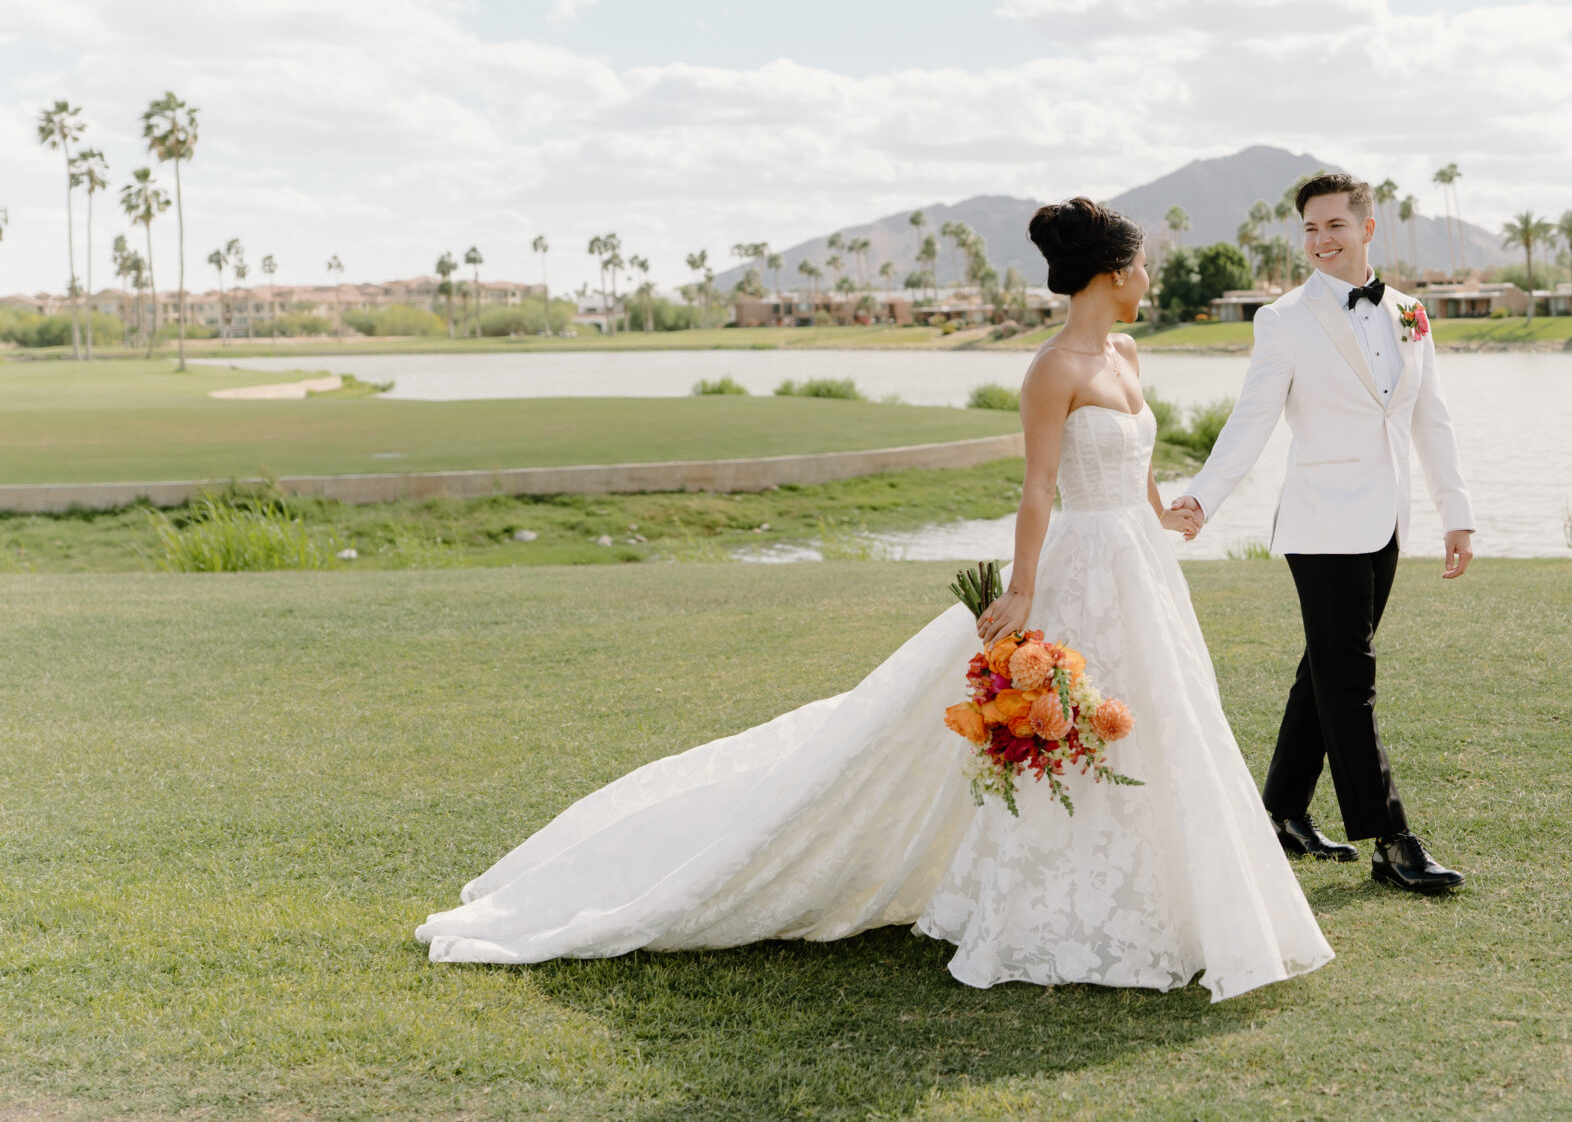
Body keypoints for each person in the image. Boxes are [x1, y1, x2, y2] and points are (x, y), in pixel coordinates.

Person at [415, 198, 1332, 1002]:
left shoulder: (1129, 351)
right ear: (1112, 270)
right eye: (1143, 266)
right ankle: (1045, 911)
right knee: (1063, 727)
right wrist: (1021, 593)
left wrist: (1161, 509)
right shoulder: (1051, 369)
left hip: (1141, 565)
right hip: (1076, 569)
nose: (1149, 280)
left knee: (1162, 724)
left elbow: (1129, 459)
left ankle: (1172, 902)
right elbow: (1038, 490)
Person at [1167, 173, 1473, 894]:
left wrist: (1454, 510)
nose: (1320, 239)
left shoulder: (1410, 312)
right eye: (1309, 228)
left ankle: (1280, 812)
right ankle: (1391, 838)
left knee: (1325, 671)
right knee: (1350, 679)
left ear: (1368, 228)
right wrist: (1203, 499)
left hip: (1387, 520)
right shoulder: (1283, 319)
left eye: (1334, 224)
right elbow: (1252, 420)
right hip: (1322, 523)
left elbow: (1431, 416)